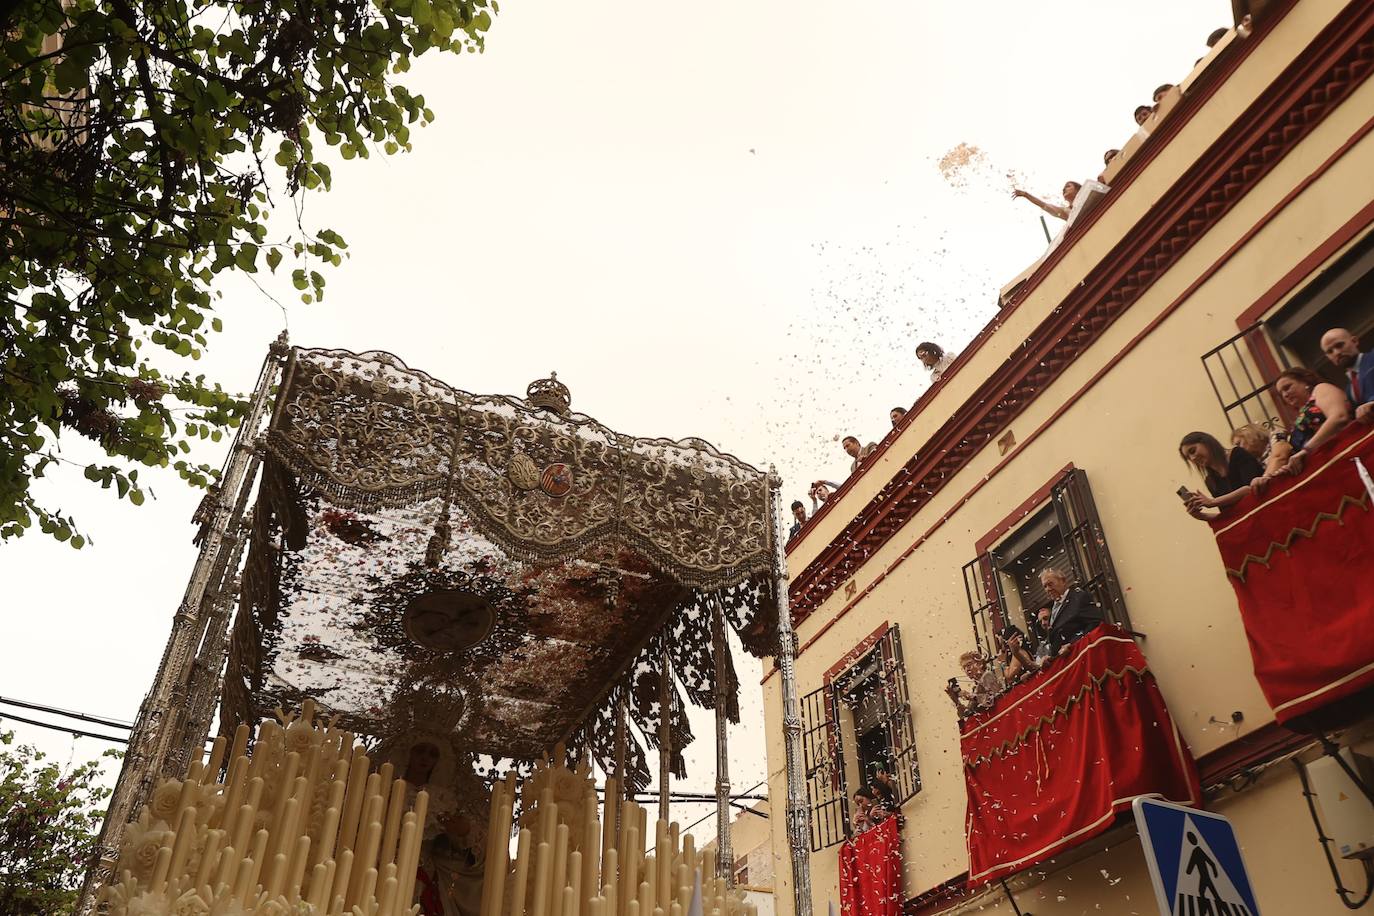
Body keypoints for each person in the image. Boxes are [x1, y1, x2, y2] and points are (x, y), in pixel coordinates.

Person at [1274, 367, 1353, 475]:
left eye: (1287, 387)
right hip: (1329, 469)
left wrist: (1306, 450)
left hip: (1348, 451)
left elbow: (1339, 417)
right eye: (1281, 393)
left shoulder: (1320, 389)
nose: (1285, 395)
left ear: (1305, 382)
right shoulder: (1299, 418)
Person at [1178, 431, 1265, 519]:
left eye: (1193, 451)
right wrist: (1201, 516)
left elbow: (1250, 488)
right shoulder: (1210, 481)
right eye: (1188, 458)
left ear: (1206, 442)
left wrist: (1212, 502)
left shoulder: (1237, 454)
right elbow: (1229, 516)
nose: (1193, 458)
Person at [1039, 568, 1103, 657]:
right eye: (1045, 586)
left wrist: (1072, 644)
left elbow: (1096, 623)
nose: (1048, 589)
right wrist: (1049, 657)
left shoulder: (1079, 597)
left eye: (1050, 584)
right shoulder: (1052, 609)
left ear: (1063, 581)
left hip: (1084, 657)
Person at [1320, 327, 1374, 424]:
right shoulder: (1349, 390)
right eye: (1330, 351)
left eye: (1339, 345)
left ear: (1354, 341)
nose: (1337, 353)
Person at [947, 651, 1003, 717]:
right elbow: (966, 715)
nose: (967, 669)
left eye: (969, 665)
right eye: (964, 668)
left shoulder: (987, 676)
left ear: (980, 664)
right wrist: (955, 700)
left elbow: (995, 699)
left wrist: (969, 696)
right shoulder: (975, 688)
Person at [1011, 181, 1080, 221]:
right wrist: (1026, 194)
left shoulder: (1089, 194)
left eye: (1068, 186)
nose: (1064, 189)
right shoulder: (1066, 211)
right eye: (1063, 189)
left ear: (1078, 189)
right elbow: (1044, 205)